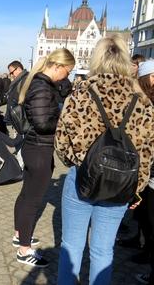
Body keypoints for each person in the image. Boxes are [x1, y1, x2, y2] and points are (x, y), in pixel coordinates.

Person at [55, 34, 154, 284]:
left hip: (82, 179)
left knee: (71, 246)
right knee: (103, 250)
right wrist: (137, 189)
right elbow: (147, 153)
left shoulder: (80, 94)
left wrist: (78, 161)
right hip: (120, 185)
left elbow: (61, 144)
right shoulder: (142, 101)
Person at [14, 48, 75, 267]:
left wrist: (64, 84)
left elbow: (65, 91)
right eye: (67, 71)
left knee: (25, 195)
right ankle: (24, 250)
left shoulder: (42, 84)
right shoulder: (41, 87)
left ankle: (19, 235)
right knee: (32, 200)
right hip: (40, 149)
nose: (67, 76)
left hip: (35, 148)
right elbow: (42, 123)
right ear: (57, 66)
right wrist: (65, 122)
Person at [134, 60, 154, 284]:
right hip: (148, 174)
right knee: (146, 220)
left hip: (151, 171)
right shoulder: (143, 100)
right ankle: (146, 251)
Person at [4, 60, 29, 130]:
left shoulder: (25, 80)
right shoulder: (18, 80)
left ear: (18, 69)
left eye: (12, 72)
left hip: (22, 120)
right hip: (17, 119)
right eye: (10, 73)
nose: (11, 75)